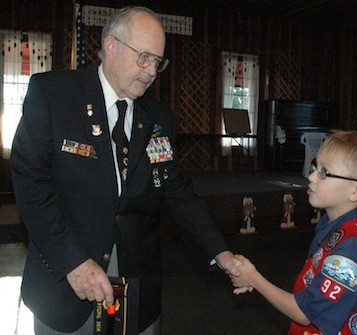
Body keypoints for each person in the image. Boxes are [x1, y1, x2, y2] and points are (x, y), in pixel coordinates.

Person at [11, 6, 241, 335]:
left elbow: (176, 191)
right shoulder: (53, 95)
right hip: (65, 277)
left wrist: (220, 251)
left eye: (157, 62)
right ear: (111, 46)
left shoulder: (159, 119)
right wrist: (72, 263)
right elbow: (32, 187)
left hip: (137, 281)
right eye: (143, 57)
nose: (150, 71)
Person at [230, 130, 357, 335]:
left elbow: (304, 313)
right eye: (316, 166)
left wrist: (253, 278)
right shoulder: (339, 224)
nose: (312, 176)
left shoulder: (353, 247)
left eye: (324, 172)